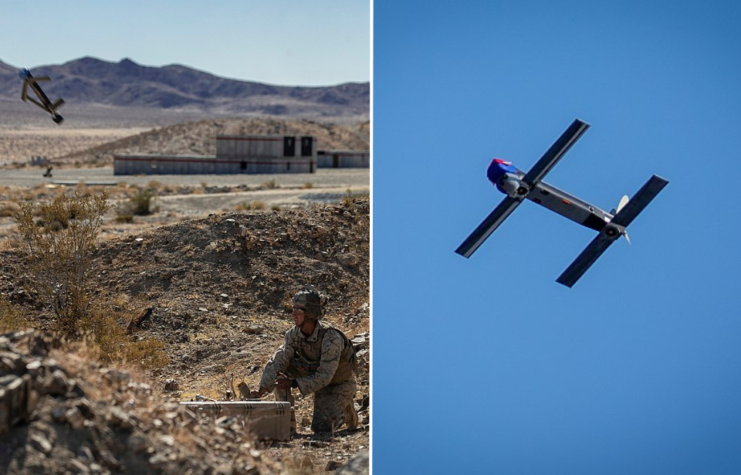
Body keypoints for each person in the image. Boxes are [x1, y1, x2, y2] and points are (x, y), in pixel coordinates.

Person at [250, 285, 358, 433]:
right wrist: (261, 390)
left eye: (298, 310)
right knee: (281, 372)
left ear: (311, 314)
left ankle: (347, 408)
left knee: (322, 428)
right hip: (315, 377)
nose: (293, 314)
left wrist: (294, 383)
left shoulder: (331, 338)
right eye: (293, 309)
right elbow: (279, 360)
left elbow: (325, 376)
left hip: (338, 384)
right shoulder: (293, 335)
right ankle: (286, 427)